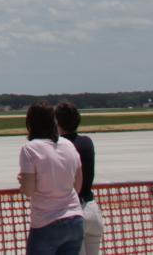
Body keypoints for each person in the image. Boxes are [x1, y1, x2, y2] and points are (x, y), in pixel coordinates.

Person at [18, 101, 83, 255]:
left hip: (46, 222)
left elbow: (28, 191)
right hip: (75, 218)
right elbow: (78, 184)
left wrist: (24, 181)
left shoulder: (30, 149)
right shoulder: (68, 145)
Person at [54, 101, 101, 255]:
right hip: (92, 209)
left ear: (57, 122)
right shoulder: (87, 142)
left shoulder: (60, 146)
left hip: (73, 212)